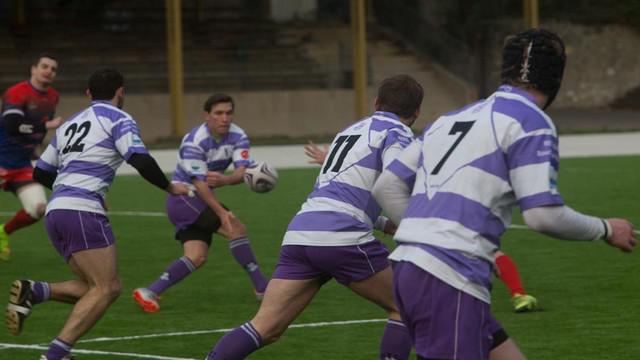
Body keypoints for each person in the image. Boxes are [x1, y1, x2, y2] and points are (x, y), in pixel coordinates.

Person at [372, 28, 636, 360]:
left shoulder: (451, 118)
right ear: (556, 79)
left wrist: (423, 230)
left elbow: (387, 185)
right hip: (450, 275)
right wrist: (607, 229)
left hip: (409, 270)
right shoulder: (532, 122)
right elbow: (543, 215)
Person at [205, 75, 421, 360]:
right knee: (408, 307)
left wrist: (383, 223)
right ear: (416, 113)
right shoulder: (400, 134)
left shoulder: (350, 130)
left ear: (376, 103)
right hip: (342, 237)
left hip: (301, 233)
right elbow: (390, 186)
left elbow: (342, 193)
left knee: (265, 327)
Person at [4, 68, 190, 360]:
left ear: (89, 94)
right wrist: (169, 187)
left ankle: (36, 291)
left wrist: (68, 188)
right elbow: (139, 158)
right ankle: (56, 354)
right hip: (82, 211)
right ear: (121, 92)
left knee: (98, 287)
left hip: (56, 212)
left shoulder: (70, 124)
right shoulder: (119, 118)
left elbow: (40, 171)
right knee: (106, 288)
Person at [307, 142, 539, 313]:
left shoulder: (408, 157)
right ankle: (515, 294)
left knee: (476, 250)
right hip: (435, 210)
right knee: (471, 251)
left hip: (440, 208)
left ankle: (517, 293)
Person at [132, 93, 269, 313]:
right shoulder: (194, 141)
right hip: (184, 199)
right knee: (236, 228)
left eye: (228, 113)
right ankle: (262, 288)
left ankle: (150, 291)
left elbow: (241, 172)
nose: (224, 118)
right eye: (218, 113)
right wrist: (222, 213)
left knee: (196, 257)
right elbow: (201, 184)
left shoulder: (239, 135)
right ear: (207, 116)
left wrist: (226, 179)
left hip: (198, 200)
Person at [0, 54, 65, 261]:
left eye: (53, 69)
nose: (48, 71)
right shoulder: (17, 92)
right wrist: (47, 126)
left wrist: (36, 148)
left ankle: (2, 233)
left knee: (38, 209)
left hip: (21, 165)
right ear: (33, 69)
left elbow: (37, 130)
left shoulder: (53, 96)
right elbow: (12, 125)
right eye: (44, 66)